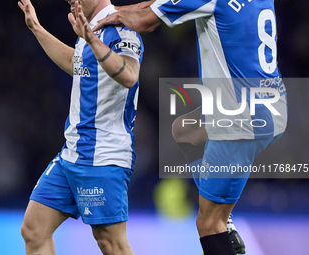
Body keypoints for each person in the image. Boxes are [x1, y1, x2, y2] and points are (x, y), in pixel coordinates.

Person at [94, 1, 287, 255]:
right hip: (273, 105)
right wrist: (122, 9)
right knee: (185, 130)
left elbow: (143, 22)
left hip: (240, 120)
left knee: (207, 223)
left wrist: (110, 18)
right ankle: (222, 214)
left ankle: (220, 221)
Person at [18, 0, 143, 254]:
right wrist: (37, 28)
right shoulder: (89, 30)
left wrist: (91, 40)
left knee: (111, 243)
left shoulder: (121, 28)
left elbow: (130, 75)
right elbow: (77, 67)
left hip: (103, 155)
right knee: (34, 230)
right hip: (73, 152)